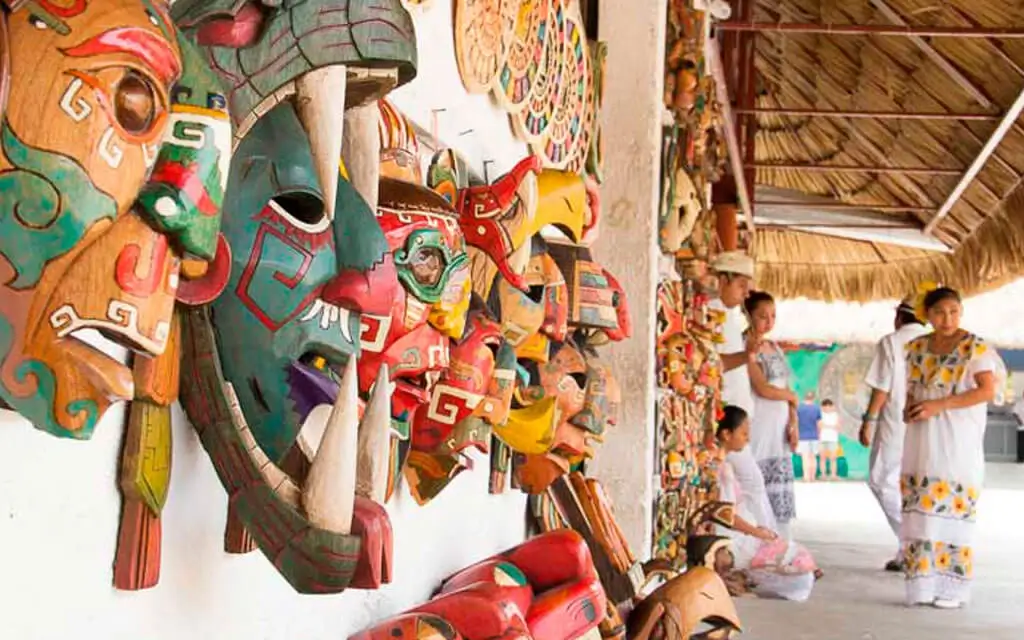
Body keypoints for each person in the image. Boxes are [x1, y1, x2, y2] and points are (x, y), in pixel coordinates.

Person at [900, 286, 1005, 609]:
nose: (947, 319)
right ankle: (922, 583)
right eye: (939, 312)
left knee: (951, 503)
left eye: (953, 311)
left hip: (957, 435)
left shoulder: (975, 348)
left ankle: (951, 588)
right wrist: (909, 407)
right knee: (921, 503)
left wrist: (940, 405)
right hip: (922, 433)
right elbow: (912, 387)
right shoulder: (916, 347)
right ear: (927, 315)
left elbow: (986, 390)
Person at [716, 405, 819, 602]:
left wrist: (757, 531)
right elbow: (724, 515)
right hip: (732, 538)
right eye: (744, 433)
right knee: (795, 562)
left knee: (796, 556)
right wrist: (756, 532)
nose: (748, 439)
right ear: (727, 434)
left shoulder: (726, 465)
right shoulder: (721, 468)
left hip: (743, 532)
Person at [860, 297, 929, 572]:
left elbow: (882, 386)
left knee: (881, 480)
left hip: (895, 422)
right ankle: (907, 549)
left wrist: (869, 420)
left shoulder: (892, 342)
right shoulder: (932, 341)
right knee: (915, 485)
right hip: (927, 422)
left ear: (899, 317)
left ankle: (913, 542)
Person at [743, 291, 798, 538]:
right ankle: (762, 535)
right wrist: (791, 397)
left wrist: (794, 421)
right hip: (759, 421)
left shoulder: (775, 347)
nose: (769, 321)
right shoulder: (745, 347)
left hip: (780, 424)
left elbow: (787, 387)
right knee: (757, 476)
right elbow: (762, 388)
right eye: (762, 316)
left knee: (779, 479)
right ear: (749, 315)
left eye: (773, 316)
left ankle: (780, 539)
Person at [709, 251, 756, 417]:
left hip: (736, 411)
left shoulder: (729, 313)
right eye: (741, 285)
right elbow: (710, 363)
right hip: (725, 410)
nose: (746, 293)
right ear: (723, 281)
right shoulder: (711, 311)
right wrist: (746, 356)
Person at [795, 393, 822, 482]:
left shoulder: (799, 408)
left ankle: (806, 477)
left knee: (805, 457)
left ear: (804, 398)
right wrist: (819, 435)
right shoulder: (817, 408)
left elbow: (796, 422)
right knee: (813, 457)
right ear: (813, 398)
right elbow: (819, 424)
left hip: (803, 436)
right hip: (814, 436)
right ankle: (812, 477)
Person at [818, 399, 840, 480]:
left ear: (832, 406)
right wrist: (831, 426)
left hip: (833, 439)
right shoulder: (820, 415)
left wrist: (826, 426)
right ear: (822, 407)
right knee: (822, 458)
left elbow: (838, 426)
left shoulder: (835, 415)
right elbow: (819, 426)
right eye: (825, 406)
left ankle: (833, 475)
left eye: (829, 406)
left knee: (833, 458)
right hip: (822, 439)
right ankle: (823, 474)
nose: (827, 408)